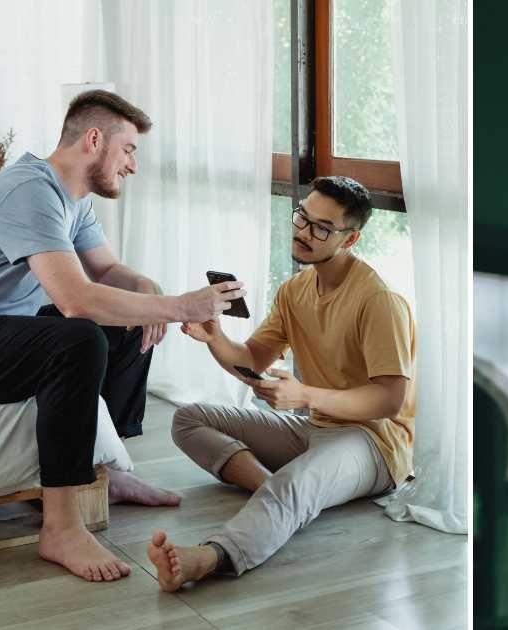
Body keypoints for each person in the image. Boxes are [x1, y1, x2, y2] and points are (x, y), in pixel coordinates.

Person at [0, 90, 246, 583]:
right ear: (94, 140)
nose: (133, 165)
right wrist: (181, 305)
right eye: (128, 150)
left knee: (126, 321)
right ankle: (60, 527)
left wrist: (147, 289)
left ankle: (109, 469)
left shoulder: (72, 201)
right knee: (79, 338)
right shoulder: (28, 192)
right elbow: (76, 299)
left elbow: (108, 271)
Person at [146, 175, 415, 591]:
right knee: (189, 419)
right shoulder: (295, 290)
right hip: (315, 426)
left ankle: (212, 556)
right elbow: (252, 359)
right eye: (302, 217)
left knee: (298, 482)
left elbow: (389, 400)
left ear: (350, 239)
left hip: (373, 442)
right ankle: (269, 489)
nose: (304, 232)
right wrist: (214, 337)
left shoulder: (378, 300)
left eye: (322, 228)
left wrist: (304, 395)